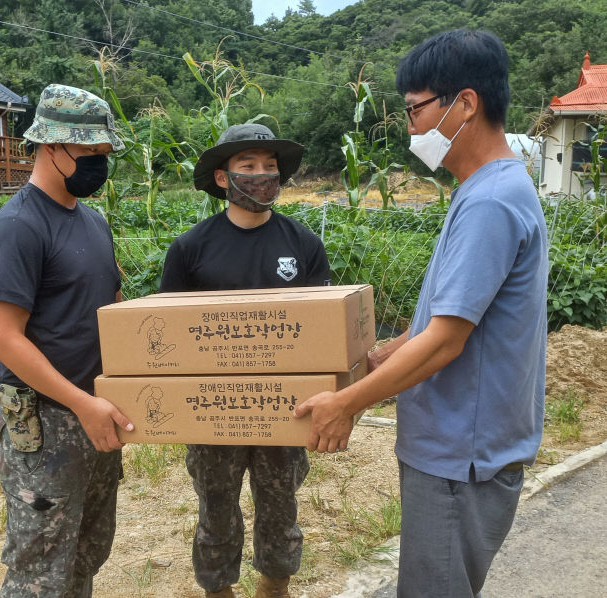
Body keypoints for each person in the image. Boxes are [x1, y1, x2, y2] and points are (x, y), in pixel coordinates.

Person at [295, 30, 548, 597]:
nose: (410, 126)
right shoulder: (487, 189)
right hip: (460, 450)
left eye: (415, 109)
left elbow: (446, 342)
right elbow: (446, 317)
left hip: (461, 457)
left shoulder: (488, 202)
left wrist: (347, 402)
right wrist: (383, 356)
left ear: (464, 103)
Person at [160, 123, 331, 598]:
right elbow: (170, 335)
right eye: (248, 167)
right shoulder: (191, 249)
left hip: (285, 406)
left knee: (280, 503)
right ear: (223, 179)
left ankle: (274, 586)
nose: (262, 176)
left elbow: (322, 331)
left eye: (270, 168)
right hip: (212, 408)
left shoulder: (303, 245)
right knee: (215, 504)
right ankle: (218, 589)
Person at [0, 84, 134, 598]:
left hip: (96, 411)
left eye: (102, 153)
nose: (97, 163)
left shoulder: (93, 222)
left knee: (88, 550)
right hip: (45, 421)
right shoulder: (18, 227)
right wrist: (80, 403)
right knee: (39, 567)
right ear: (50, 147)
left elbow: (110, 311)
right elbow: (3, 338)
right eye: (87, 152)